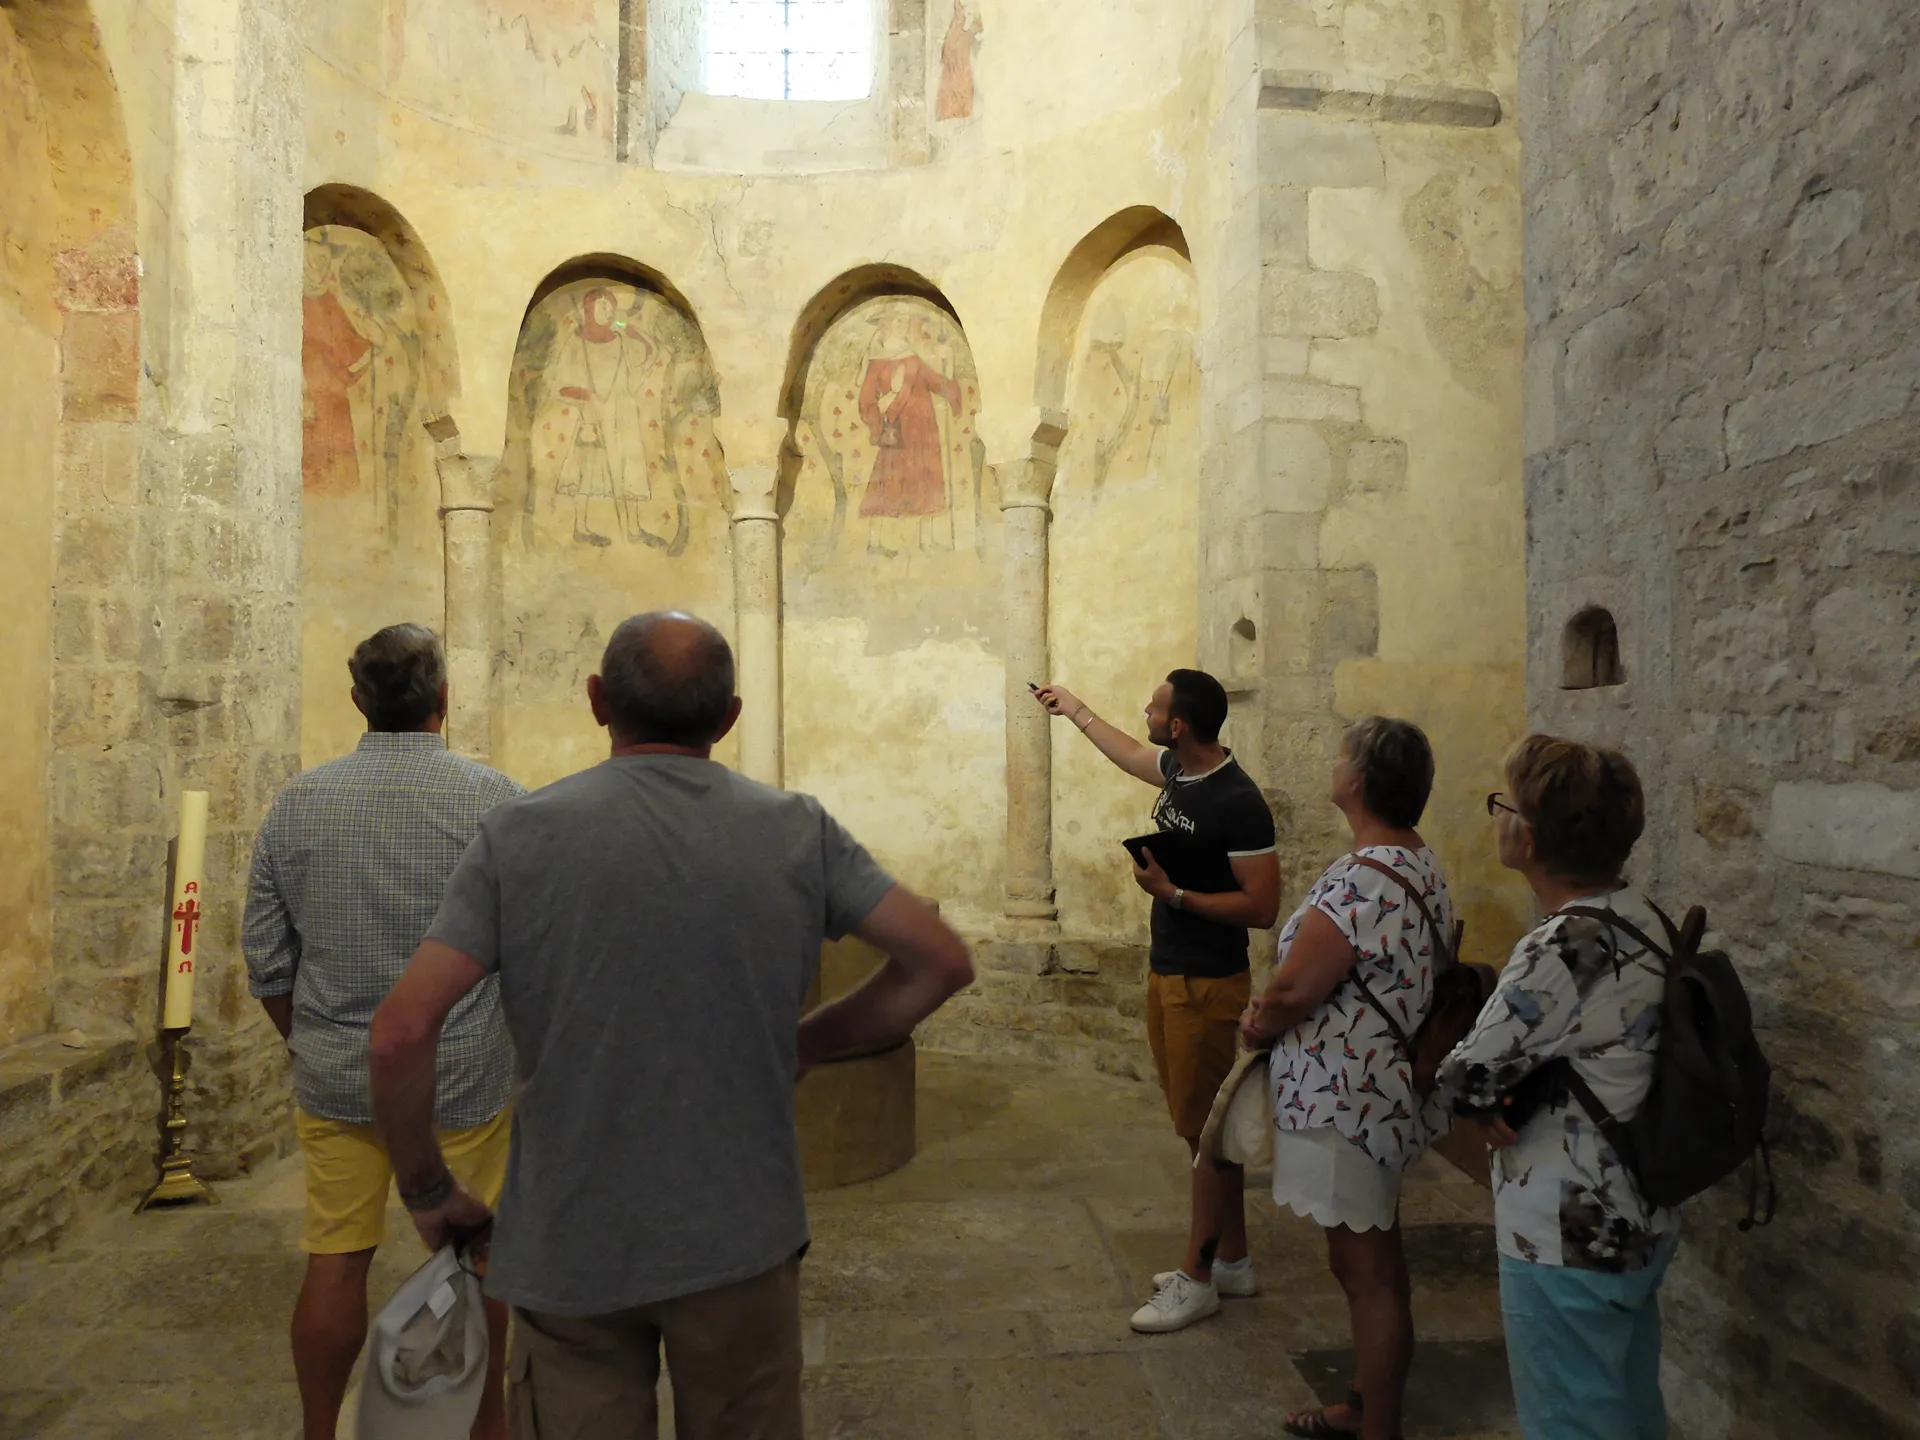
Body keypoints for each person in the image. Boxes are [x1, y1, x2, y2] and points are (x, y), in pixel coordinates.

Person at [368, 611, 974, 1440]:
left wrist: (428, 1189)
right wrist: (815, 1041)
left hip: (569, 1239)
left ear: (596, 702)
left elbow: (399, 1031)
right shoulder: (795, 830)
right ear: (728, 717)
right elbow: (940, 960)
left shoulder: (521, 833)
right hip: (740, 1237)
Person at [242, 624, 524, 1440]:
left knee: (335, 1253)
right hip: (460, 1072)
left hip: (340, 1076)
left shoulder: (300, 801)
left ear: (359, 700)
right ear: (443, 697)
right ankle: (488, 1424)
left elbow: (266, 955)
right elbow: (530, 935)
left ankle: (319, 1431)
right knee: (477, 1253)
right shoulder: (492, 798)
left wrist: (313, 1041)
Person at [1436, 736, 1678, 1440]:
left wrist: (1494, 1092)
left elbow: (1464, 1076)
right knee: (1625, 1405)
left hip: (1569, 1231)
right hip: (1636, 1207)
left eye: (1500, 804)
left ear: (1530, 837)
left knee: (1570, 1419)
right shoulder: (1639, 913)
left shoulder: (1564, 945)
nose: (1496, 816)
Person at [1033, 669, 1279, 1332]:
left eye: (1156, 705)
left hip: (1207, 983)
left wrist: (1173, 896)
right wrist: (1074, 708)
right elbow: (1129, 753)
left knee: (1206, 1137)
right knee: (1198, 1129)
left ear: (1180, 725)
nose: (1144, 709)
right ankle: (1232, 1259)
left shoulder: (1237, 800)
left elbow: (1262, 906)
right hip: (1169, 973)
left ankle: (1198, 1279)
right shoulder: (1180, 771)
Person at [1239, 717, 1455, 1440]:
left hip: (1348, 1097)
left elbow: (1298, 988)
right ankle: (1365, 1402)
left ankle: (1378, 1428)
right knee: (1369, 1260)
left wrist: (1259, 1022)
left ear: (1357, 782)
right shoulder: (1420, 861)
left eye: (1340, 757)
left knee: (1368, 1271)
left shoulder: (1363, 876)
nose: (1333, 765)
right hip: (1377, 1089)